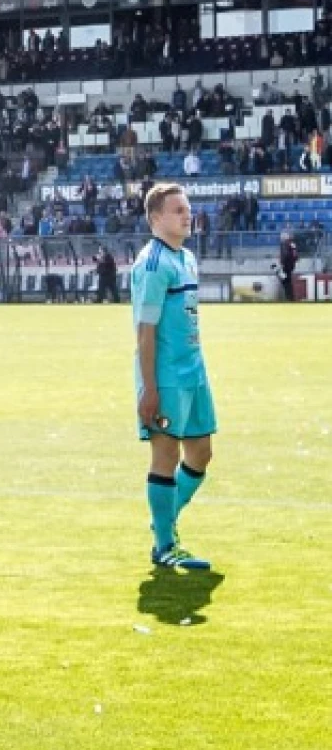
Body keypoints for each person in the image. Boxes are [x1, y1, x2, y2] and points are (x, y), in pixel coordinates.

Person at [132, 184, 216, 570]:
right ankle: (164, 546)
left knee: (201, 453)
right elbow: (145, 332)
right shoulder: (152, 264)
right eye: (178, 210)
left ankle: (163, 518)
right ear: (156, 219)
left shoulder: (187, 258)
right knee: (166, 454)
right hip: (165, 377)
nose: (187, 215)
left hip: (194, 372)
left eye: (188, 208)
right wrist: (149, 388)